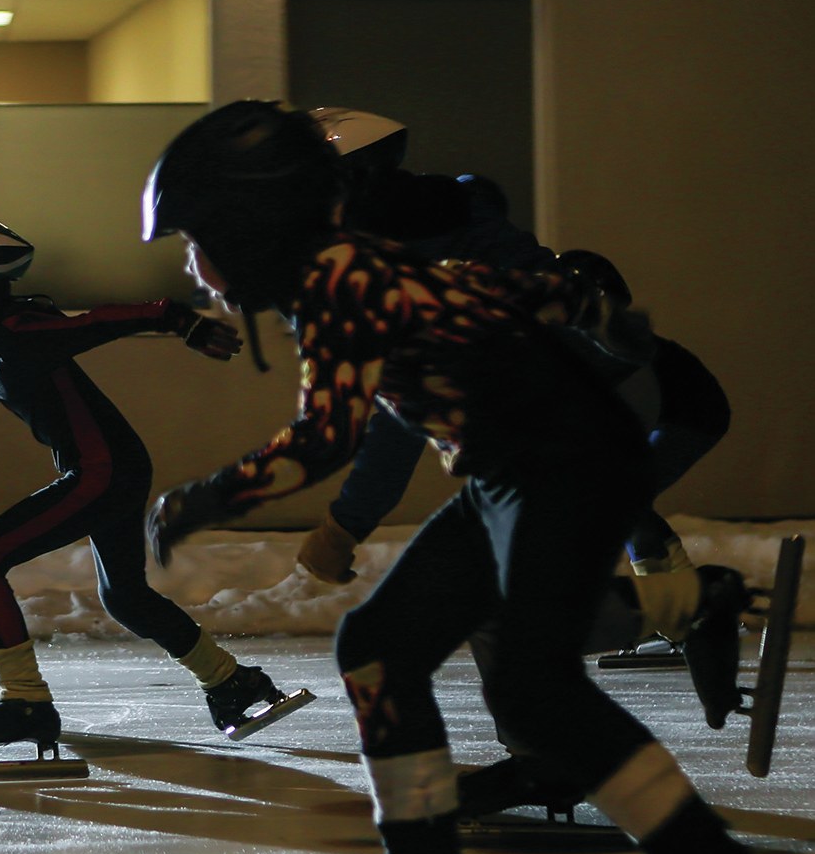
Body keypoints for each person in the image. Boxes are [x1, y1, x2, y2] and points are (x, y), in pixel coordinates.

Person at [141, 101, 808, 854]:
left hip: (561, 463)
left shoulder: (335, 284)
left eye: (194, 238)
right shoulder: (356, 266)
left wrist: (205, 498)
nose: (191, 266)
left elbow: (326, 437)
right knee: (377, 647)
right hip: (515, 466)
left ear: (252, 225)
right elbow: (504, 288)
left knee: (535, 685)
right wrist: (598, 315)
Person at [298, 109, 741, 738]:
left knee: (510, 601)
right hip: (587, 413)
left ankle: (681, 618)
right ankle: (567, 725)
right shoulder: (434, 230)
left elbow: (396, 424)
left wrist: (346, 523)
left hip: (599, 409)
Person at [0, 211, 305, 757]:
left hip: (102, 472)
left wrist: (180, 320)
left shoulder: (20, 335)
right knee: (126, 596)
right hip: (110, 468)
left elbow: (99, 321)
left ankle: (26, 703)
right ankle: (232, 683)